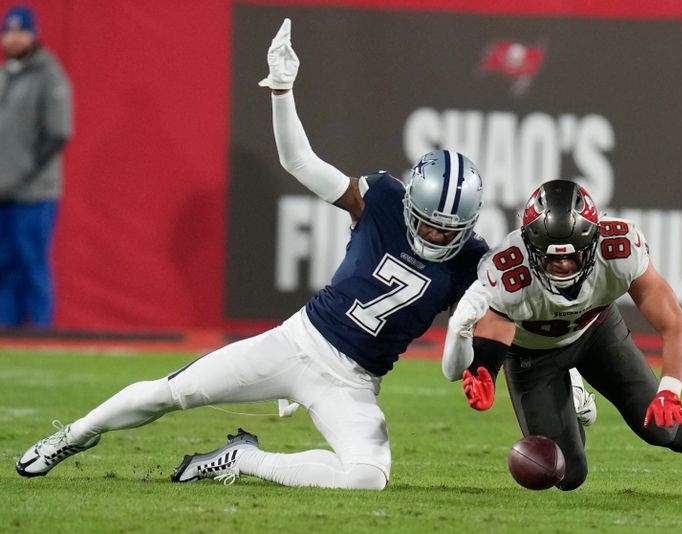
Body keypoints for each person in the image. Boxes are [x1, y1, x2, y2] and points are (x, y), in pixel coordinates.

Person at [16, 18, 490, 490]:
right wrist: (281, 90)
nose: (435, 233)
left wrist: (464, 332)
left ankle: (245, 459)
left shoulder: (471, 260)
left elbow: (452, 369)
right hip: (297, 343)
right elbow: (299, 162)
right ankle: (74, 435)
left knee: (367, 477)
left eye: (449, 228)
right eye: (428, 220)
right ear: (411, 202)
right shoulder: (383, 198)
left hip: (354, 382)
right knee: (171, 393)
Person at [442, 179, 682, 499]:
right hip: (532, 355)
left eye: (572, 255)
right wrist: (485, 369)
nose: (563, 266)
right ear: (530, 246)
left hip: (595, 333)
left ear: (593, 242)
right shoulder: (507, 268)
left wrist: (670, 391)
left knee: (660, 427)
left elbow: (674, 326)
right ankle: (569, 387)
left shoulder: (620, 249)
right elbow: (495, 329)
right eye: (552, 257)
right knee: (565, 474)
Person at [0, 5, 72, 327]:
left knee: (32, 264)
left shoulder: (49, 74)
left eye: (20, 31)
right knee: (4, 266)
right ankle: (7, 335)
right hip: (4, 193)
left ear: (33, 34)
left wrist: (22, 174)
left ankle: (43, 336)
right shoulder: (5, 75)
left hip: (34, 192)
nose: (12, 38)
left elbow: (58, 134)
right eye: (8, 31)